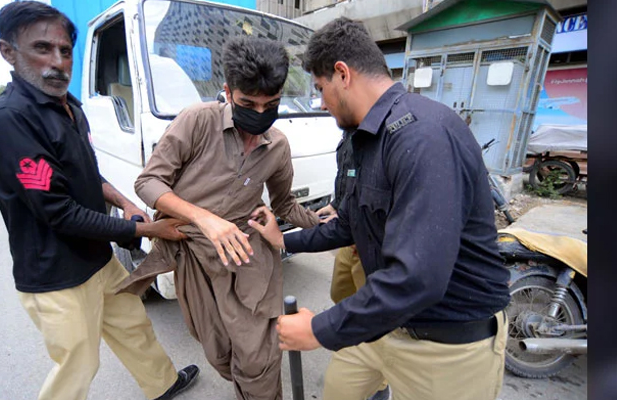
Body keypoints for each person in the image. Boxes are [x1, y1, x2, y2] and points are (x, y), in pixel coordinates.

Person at [248, 17, 511, 400]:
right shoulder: (364, 138)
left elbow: (417, 277)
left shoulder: (423, 136)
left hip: (445, 348)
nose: (320, 102)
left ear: (342, 74)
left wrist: (318, 329)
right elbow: (349, 224)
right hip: (382, 325)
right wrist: (285, 241)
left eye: (320, 89)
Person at [0, 2, 199, 399]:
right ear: (8, 52)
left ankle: (163, 384)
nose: (58, 62)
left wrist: (124, 201)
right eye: (42, 48)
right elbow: (57, 210)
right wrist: (146, 228)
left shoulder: (68, 108)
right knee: (79, 363)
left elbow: (84, 174)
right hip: (55, 274)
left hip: (95, 258)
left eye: (65, 51)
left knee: (132, 323)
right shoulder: (11, 120)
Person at [116, 36, 320, 400]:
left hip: (247, 255)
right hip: (192, 254)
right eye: (248, 104)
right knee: (218, 350)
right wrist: (205, 219)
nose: (258, 114)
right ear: (227, 92)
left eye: (270, 104)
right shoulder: (197, 121)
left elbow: (285, 205)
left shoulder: (278, 147)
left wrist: (330, 226)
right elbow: (148, 182)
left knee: (258, 356)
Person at [315, 129, 390, 400]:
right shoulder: (349, 136)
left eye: (323, 89)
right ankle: (353, 354)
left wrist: (367, 234)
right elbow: (348, 180)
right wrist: (336, 206)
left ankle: (378, 385)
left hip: (367, 240)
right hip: (349, 233)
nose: (322, 104)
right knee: (341, 294)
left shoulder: (381, 139)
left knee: (371, 310)